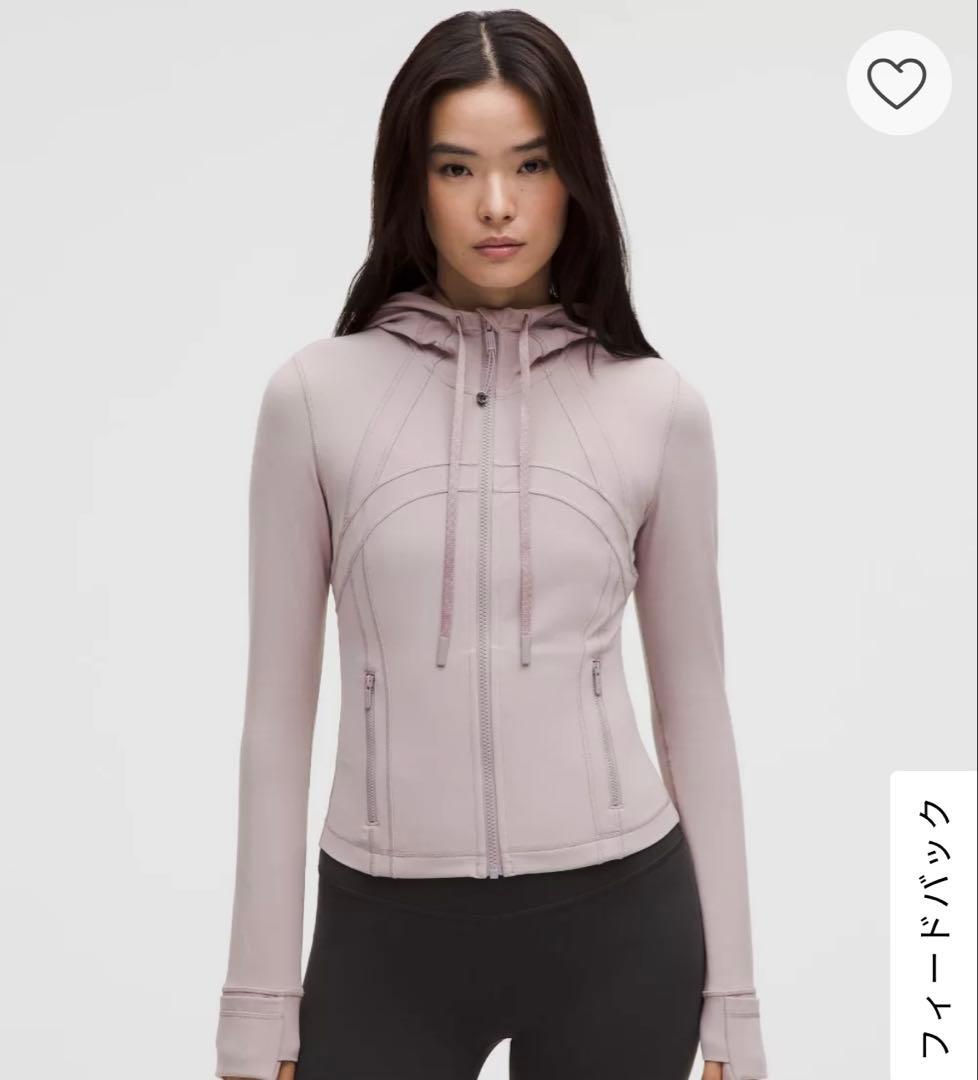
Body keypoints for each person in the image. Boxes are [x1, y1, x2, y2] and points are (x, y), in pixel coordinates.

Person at [215, 10, 769, 1080]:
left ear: (576, 179)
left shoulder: (658, 408)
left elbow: (697, 710)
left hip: (623, 924)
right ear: (412, 184)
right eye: (457, 168)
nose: (498, 204)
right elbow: (274, 724)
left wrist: (734, 1006)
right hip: (384, 936)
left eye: (532, 163)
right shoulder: (314, 399)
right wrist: (257, 1007)